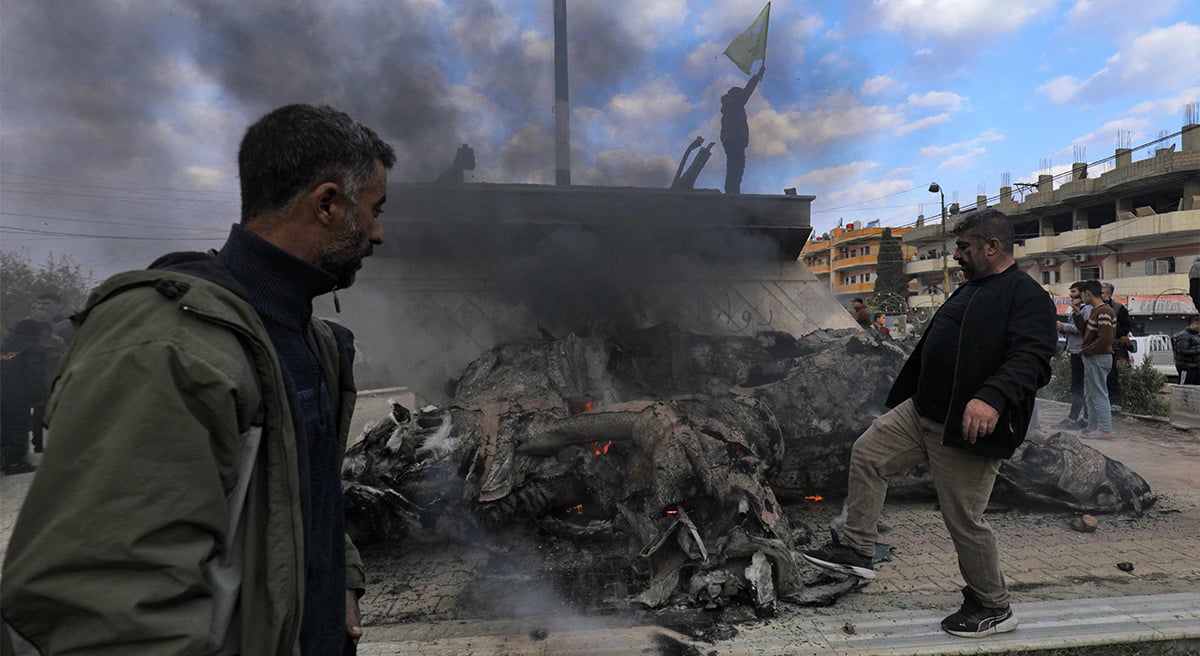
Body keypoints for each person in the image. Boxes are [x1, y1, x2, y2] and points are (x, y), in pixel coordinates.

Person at [1, 104, 395, 655]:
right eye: (375, 210)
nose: (378, 234)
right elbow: (112, 607)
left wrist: (339, 580)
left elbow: (298, 496)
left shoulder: (312, 341)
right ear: (327, 203)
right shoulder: (169, 347)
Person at [801, 208, 1056, 639]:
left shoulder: (1026, 295)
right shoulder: (973, 287)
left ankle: (993, 606)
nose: (956, 255)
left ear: (992, 246)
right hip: (922, 412)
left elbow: (1032, 359)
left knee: (964, 519)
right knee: (868, 454)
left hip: (968, 429)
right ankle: (857, 547)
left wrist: (990, 398)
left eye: (964, 246)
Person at [0, 318, 48, 475]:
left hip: (2, 393)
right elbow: (35, 375)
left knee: (4, 427)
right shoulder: (34, 349)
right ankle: (16, 462)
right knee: (19, 426)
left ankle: (5, 459)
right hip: (18, 394)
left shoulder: (4, 347)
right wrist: (39, 397)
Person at [1075, 280, 1116, 439]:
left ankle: (1105, 429)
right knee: (1090, 394)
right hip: (1093, 357)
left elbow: (1105, 339)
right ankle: (1093, 427)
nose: (1081, 298)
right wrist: (1077, 314)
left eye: (1082, 295)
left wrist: (1086, 350)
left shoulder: (1104, 311)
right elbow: (1085, 331)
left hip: (1098, 357)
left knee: (1098, 393)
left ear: (1088, 294)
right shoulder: (1096, 311)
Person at [719, 64, 764, 194]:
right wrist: (757, 77)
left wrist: (725, 141)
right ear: (735, 95)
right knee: (737, 168)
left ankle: (732, 191)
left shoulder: (727, 109)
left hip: (731, 141)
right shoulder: (735, 104)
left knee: (733, 168)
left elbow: (722, 133)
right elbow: (747, 92)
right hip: (735, 140)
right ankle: (733, 193)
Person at [1054, 282, 1091, 430]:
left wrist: (1065, 327)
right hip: (1074, 351)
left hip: (1081, 352)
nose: (1071, 295)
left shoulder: (1087, 309)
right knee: (1078, 387)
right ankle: (1080, 418)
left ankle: (1077, 419)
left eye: (1074, 292)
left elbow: (1085, 329)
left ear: (1082, 294)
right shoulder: (1075, 310)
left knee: (1080, 387)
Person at [1100, 282, 1131, 412]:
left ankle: (1115, 403)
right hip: (1095, 346)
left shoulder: (1118, 308)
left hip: (1111, 346)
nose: (1100, 295)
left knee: (1111, 374)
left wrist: (1120, 335)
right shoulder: (1091, 308)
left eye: (1102, 292)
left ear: (1110, 294)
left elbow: (1126, 325)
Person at [1174, 316, 1200, 385]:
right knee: (1183, 387)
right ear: (1194, 324)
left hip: (1195, 368)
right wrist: (1197, 350)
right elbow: (1182, 351)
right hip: (1186, 368)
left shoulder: (1195, 335)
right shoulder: (1184, 336)